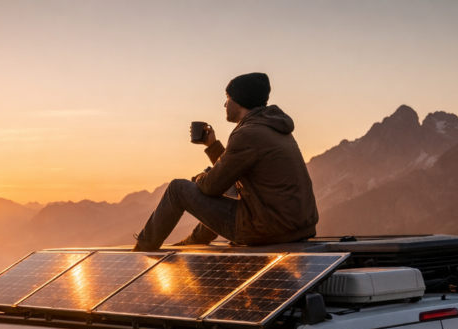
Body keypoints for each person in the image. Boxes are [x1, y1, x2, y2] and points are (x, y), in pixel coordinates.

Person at [133, 72, 319, 251]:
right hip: (296, 226)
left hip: (268, 229)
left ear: (239, 100)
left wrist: (199, 178)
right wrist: (212, 145)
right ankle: (195, 241)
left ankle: (142, 250)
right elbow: (234, 169)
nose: (225, 103)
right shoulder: (273, 127)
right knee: (221, 183)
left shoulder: (247, 133)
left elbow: (212, 186)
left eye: (228, 97)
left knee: (177, 189)